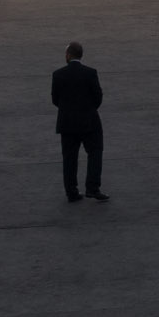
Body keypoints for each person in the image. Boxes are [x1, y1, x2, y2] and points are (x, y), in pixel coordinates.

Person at [52, 41, 107, 202]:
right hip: (89, 121)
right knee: (95, 152)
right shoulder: (90, 73)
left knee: (69, 158)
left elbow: (55, 99)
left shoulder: (58, 74)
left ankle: (71, 192)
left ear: (68, 55)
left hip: (67, 123)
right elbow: (98, 97)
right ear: (81, 55)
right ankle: (92, 188)